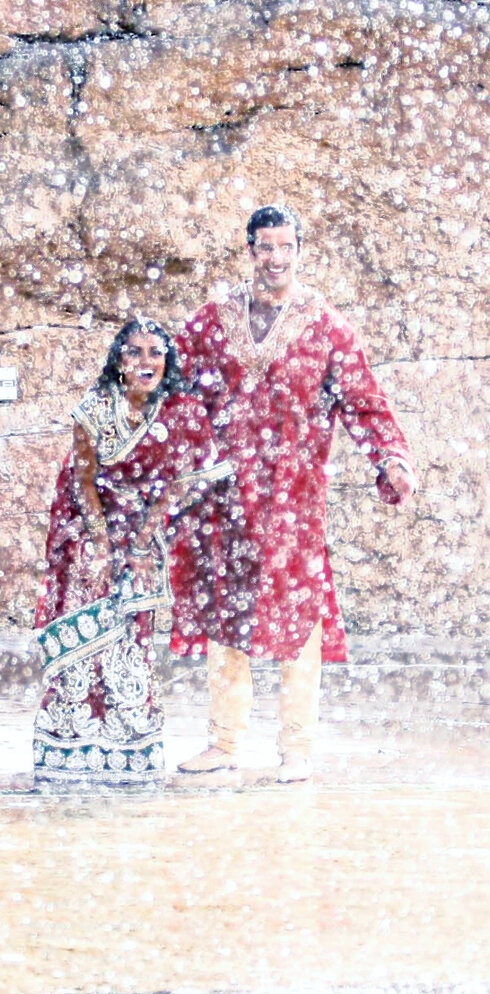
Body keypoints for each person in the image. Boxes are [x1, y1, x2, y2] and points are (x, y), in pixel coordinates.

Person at [172, 203, 417, 783]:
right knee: (224, 612)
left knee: (299, 616)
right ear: (250, 251)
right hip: (225, 497)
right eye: (266, 247)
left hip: (293, 497)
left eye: (286, 247)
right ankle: (224, 742)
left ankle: (296, 748)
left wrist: (390, 456)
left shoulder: (327, 327)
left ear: (300, 251)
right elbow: (174, 386)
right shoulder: (213, 320)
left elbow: (363, 401)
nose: (276, 258)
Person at [33, 318, 231, 785]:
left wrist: (142, 539)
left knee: (130, 639)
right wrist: (100, 542)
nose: (146, 362)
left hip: (145, 530)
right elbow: (83, 480)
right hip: (89, 525)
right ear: (118, 361)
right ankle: (69, 744)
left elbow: (183, 482)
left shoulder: (180, 411)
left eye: (155, 352)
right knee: (85, 636)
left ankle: (128, 746)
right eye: (135, 352)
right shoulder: (96, 408)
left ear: (169, 359)